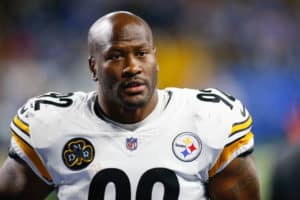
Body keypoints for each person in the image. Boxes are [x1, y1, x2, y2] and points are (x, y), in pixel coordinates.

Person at [0, 11, 260, 199]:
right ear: (93, 66)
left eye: (141, 53)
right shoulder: (53, 124)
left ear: (155, 59)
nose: (132, 67)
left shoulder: (208, 118)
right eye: (116, 56)